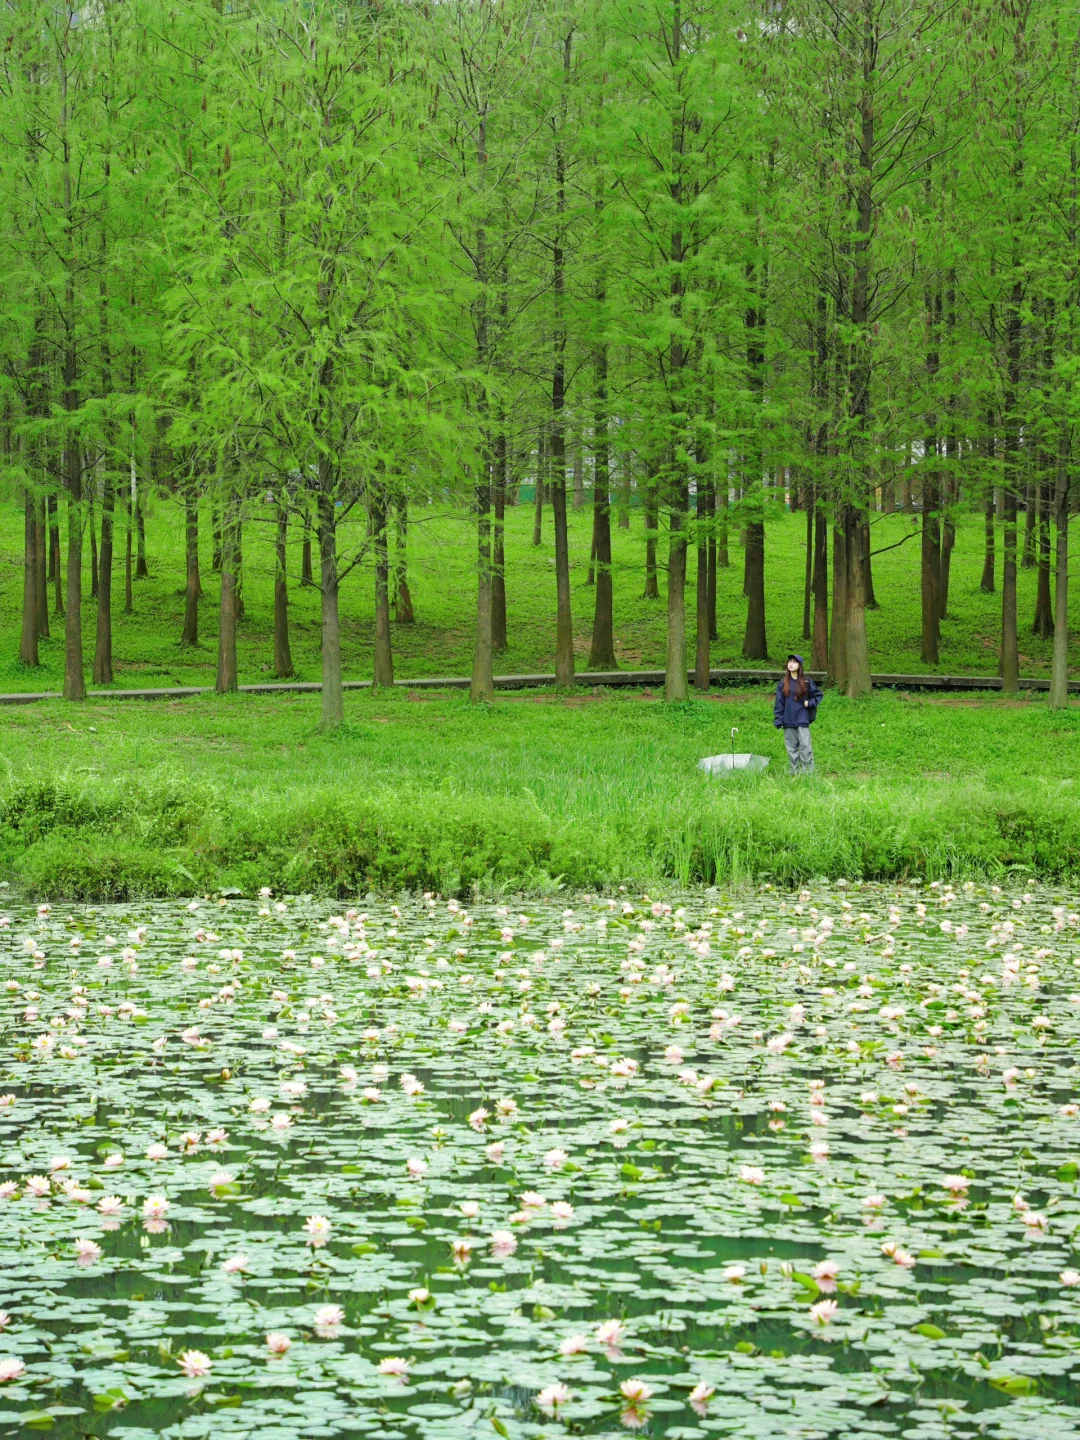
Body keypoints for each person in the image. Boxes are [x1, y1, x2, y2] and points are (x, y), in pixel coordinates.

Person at [773, 653, 822, 776]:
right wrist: (778, 719)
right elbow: (779, 703)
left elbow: (818, 695)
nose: (791, 664)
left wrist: (809, 703)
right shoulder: (783, 683)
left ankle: (808, 775)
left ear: (799, 665)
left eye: (794, 662)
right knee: (791, 749)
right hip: (788, 720)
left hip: (802, 720)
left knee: (805, 748)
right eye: (789, 661)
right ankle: (794, 774)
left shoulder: (806, 681)